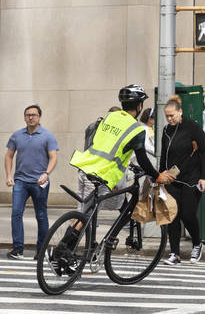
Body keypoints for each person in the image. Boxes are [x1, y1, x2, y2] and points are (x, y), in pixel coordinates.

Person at [62, 86, 163, 258]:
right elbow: (144, 160)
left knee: (87, 214)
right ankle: (62, 250)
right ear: (139, 106)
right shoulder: (136, 128)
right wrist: (158, 175)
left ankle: (80, 251)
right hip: (102, 176)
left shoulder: (109, 117)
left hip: (85, 167)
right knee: (84, 217)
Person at [159, 95, 205, 265]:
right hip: (172, 180)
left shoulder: (193, 128)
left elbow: (204, 151)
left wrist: (204, 177)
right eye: (167, 116)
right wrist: (160, 175)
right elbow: (164, 156)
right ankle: (175, 253)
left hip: (191, 178)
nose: (169, 118)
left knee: (188, 215)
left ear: (180, 112)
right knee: (172, 216)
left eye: (172, 115)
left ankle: (197, 243)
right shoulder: (166, 131)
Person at [5, 104, 59, 259]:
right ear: (24, 117)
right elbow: (8, 155)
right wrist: (9, 175)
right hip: (20, 181)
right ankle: (17, 249)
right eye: (27, 115)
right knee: (16, 213)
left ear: (39, 117)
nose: (30, 117)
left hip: (39, 182)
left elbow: (53, 157)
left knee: (41, 215)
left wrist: (46, 173)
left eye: (33, 115)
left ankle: (41, 250)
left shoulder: (47, 136)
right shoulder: (17, 135)